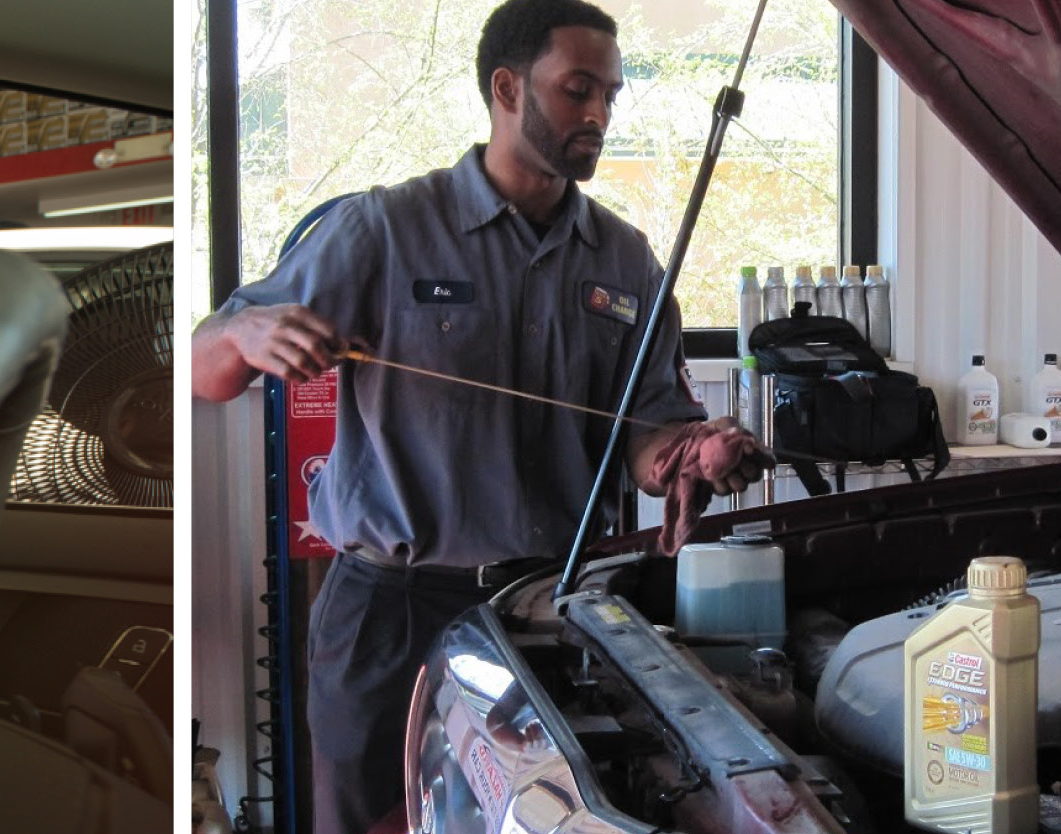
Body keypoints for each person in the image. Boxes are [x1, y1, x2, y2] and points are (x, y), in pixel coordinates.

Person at [189, 1, 769, 831]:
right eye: (576, 90)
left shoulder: (625, 259)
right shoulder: (382, 229)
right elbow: (207, 372)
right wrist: (244, 327)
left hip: (548, 611)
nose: (598, 114)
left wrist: (693, 454)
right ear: (505, 87)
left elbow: (648, 436)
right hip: (387, 612)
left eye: (609, 92)